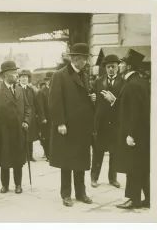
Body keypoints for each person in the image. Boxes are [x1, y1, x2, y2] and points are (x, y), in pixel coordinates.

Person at [101, 49, 150, 209]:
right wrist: (115, 101)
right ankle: (148, 199)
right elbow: (129, 107)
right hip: (140, 135)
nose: (119, 66)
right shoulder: (136, 81)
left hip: (134, 135)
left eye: (121, 63)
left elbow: (136, 112)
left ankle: (133, 199)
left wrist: (131, 134)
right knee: (141, 167)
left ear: (128, 67)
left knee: (133, 167)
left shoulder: (133, 84)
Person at [48, 43, 96, 207]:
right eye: (80, 58)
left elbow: (83, 98)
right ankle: (66, 194)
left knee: (81, 161)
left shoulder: (84, 75)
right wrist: (60, 122)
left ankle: (81, 193)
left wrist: (92, 99)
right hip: (67, 127)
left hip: (82, 127)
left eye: (84, 59)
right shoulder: (60, 75)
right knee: (66, 162)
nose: (82, 61)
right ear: (73, 58)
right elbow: (54, 102)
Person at [0, 61, 31, 194]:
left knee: (18, 160)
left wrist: (26, 121)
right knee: (4, 159)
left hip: (19, 130)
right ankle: (5, 185)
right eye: (14, 72)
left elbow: (28, 108)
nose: (17, 75)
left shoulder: (19, 89)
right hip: (3, 131)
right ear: (6, 75)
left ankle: (18, 184)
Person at [90, 54, 125, 189]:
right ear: (105, 68)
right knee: (98, 152)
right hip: (101, 123)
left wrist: (114, 100)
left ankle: (113, 178)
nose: (111, 69)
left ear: (118, 67)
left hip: (116, 123)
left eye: (114, 67)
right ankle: (94, 178)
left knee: (114, 152)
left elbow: (125, 103)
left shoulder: (123, 82)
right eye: (109, 67)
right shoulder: (98, 82)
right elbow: (91, 98)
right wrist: (92, 99)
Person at [18, 69, 42, 162]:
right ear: (19, 78)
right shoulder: (16, 88)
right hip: (20, 116)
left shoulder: (31, 90)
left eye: (26, 77)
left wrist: (37, 115)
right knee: (21, 137)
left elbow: (36, 103)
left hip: (30, 117)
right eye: (22, 77)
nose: (24, 79)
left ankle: (30, 155)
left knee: (30, 137)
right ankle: (22, 156)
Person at [37, 77, 51, 161]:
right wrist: (43, 117)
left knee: (53, 137)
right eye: (48, 80)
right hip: (46, 119)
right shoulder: (41, 92)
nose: (50, 82)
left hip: (54, 118)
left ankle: (52, 154)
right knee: (46, 137)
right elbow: (40, 106)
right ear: (46, 81)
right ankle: (48, 155)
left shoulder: (55, 90)